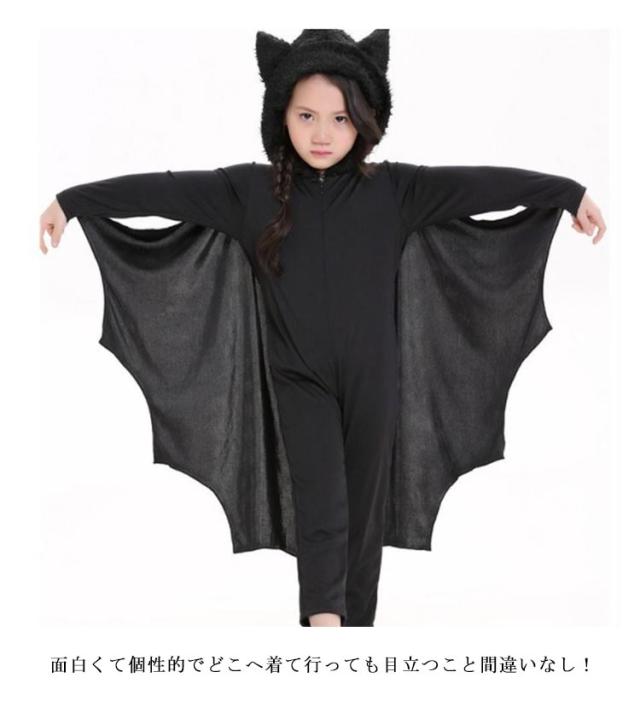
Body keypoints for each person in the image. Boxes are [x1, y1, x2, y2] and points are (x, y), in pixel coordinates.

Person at [39, 30, 606, 628]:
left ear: (364, 119)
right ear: (281, 115)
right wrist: (72, 202)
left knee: (362, 516)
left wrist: (567, 194)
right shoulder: (249, 193)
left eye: (340, 118)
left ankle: (352, 635)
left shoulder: (395, 189)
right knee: (322, 507)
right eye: (306, 115)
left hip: (374, 380)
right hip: (298, 378)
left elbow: (481, 184)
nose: (322, 134)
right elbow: (164, 190)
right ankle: (323, 623)